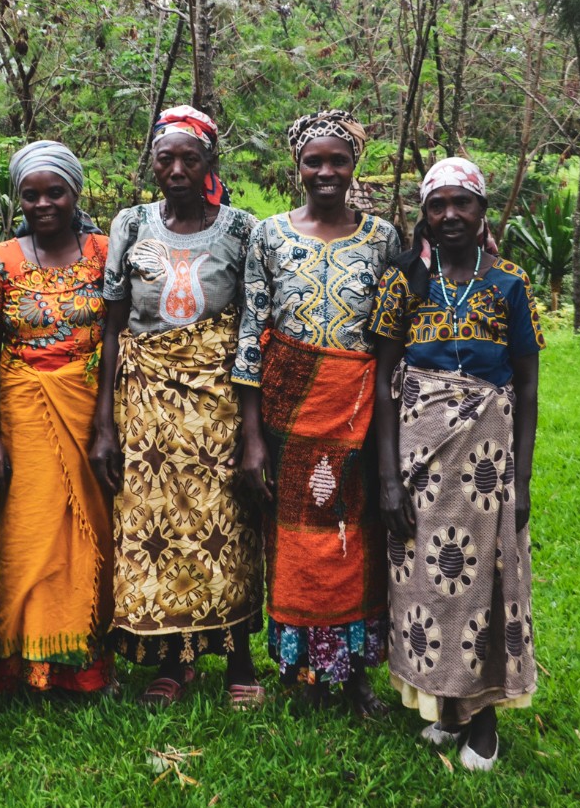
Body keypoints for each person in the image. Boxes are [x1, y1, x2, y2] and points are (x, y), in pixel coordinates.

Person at [368, 157, 543, 771]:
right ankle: (444, 707)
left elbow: (527, 388)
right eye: (436, 204)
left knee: (483, 588)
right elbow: (385, 379)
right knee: (425, 586)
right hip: (418, 460)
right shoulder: (405, 284)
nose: (448, 215)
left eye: (461, 203)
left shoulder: (509, 285)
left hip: (486, 469)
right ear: (423, 213)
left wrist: (519, 480)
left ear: (482, 212)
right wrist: (388, 478)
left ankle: (484, 718)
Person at [88, 105, 266, 707]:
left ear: (210, 162)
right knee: (157, 527)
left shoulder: (242, 229)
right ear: (154, 164)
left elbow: (250, 327)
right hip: (146, 405)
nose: (178, 168)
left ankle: (239, 658)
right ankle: (171, 660)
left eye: (191, 158)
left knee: (227, 526)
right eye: (167, 158)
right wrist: (104, 422)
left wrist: (251, 426)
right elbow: (113, 325)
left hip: (217, 402)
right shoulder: (131, 224)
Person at [234, 110, 401, 715]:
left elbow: (398, 321)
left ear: (354, 165)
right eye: (314, 161)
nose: (326, 171)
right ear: (297, 167)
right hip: (287, 412)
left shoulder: (381, 238)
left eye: (338, 160)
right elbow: (253, 333)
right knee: (295, 541)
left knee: (352, 539)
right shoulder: (269, 235)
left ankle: (353, 672)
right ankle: (299, 668)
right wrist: (252, 437)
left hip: (357, 412)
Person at [0, 140, 114, 696]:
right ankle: (18, 664)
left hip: (86, 406)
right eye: (30, 195)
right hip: (22, 410)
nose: (42, 204)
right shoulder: (0, 261)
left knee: (88, 533)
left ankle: (84, 664)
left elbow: (123, 335)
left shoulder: (106, 252)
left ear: (74, 191)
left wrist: (108, 422)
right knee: (27, 535)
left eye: (53, 191)